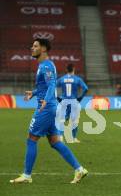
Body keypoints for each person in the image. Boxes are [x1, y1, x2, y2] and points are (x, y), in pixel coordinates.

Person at [10, 38, 88, 184]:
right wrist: (34, 93)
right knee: (54, 142)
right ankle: (79, 169)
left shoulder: (46, 66)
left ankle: (27, 175)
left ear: (44, 49)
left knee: (31, 139)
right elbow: (45, 86)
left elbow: (52, 84)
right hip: (51, 107)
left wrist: (45, 100)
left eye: (35, 46)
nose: (31, 48)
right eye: (32, 46)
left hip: (46, 108)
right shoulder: (44, 65)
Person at [57, 63, 88, 143]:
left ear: (66, 70)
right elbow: (85, 89)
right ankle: (73, 138)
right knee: (74, 120)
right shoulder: (77, 79)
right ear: (73, 69)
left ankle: (60, 137)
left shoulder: (62, 79)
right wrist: (80, 98)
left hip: (64, 101)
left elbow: (52, 87)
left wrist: (57, 98)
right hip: (74, 101)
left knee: (62, 119)